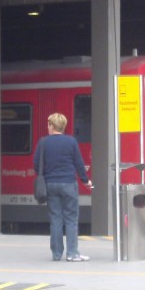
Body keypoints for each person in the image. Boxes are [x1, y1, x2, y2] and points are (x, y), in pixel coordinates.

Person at [31, 112, 93, 262]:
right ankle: (72, 253)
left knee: (56, 219)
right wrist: (86, 181)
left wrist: (47, 174)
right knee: (71, 219)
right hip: (68, 184)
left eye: (48, 124)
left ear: (52, 126)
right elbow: (79, 164)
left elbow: (36, 164)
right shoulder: (71, 142)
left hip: (51, 184)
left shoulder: (43, 142)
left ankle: (57, 254)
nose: (47, 127)